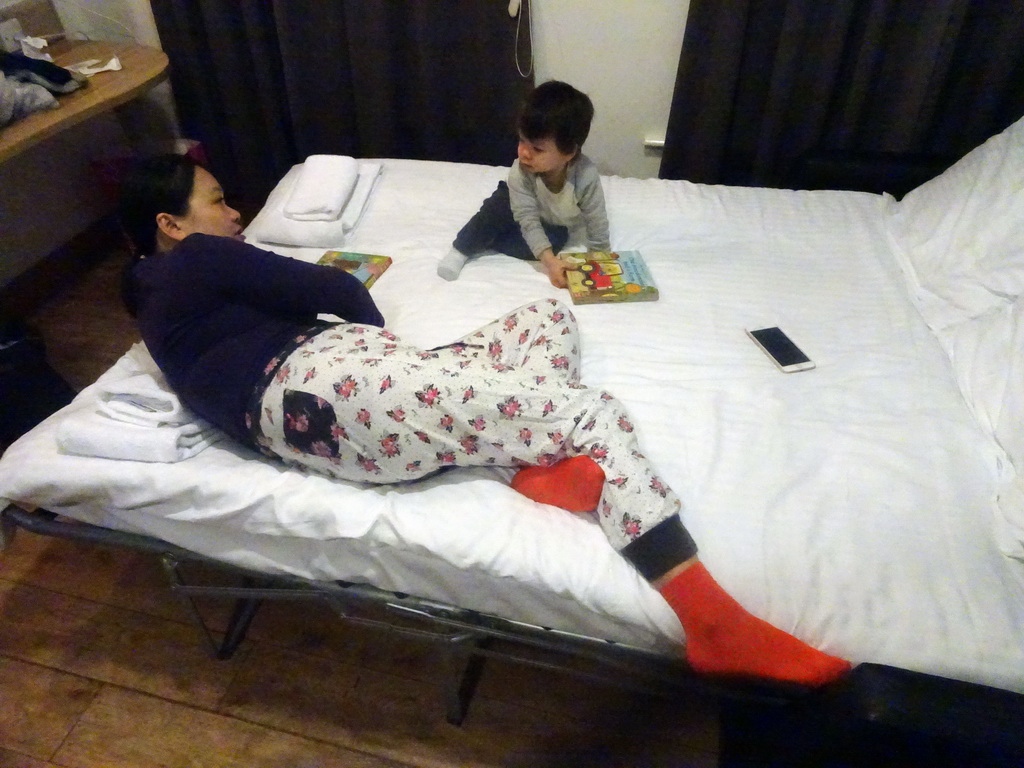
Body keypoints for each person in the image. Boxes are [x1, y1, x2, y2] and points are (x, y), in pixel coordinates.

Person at [119, 153, 852, 688]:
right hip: (336, 386)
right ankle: (710, 621)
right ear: (170, 224)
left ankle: (528, 470)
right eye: (217, 202)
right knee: (590, 413)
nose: (235, 215)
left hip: (338, 397)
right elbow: (332, 286)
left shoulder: (159, 300)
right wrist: (371, 335)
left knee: (544, 318)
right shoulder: (197, 262)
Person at [437, 80, 611, 287]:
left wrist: (600, 260)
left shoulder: (585, 176)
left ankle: (492, 237)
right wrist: (548, 262)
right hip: (517, 206)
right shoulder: (521, 171)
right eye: (521, 141)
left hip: (552, 224)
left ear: (568, 153)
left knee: (553, 243)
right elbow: (526, 217)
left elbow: (596, 221)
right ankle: (462, 248)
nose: (524, 153)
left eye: (537, 149)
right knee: (497, 207)